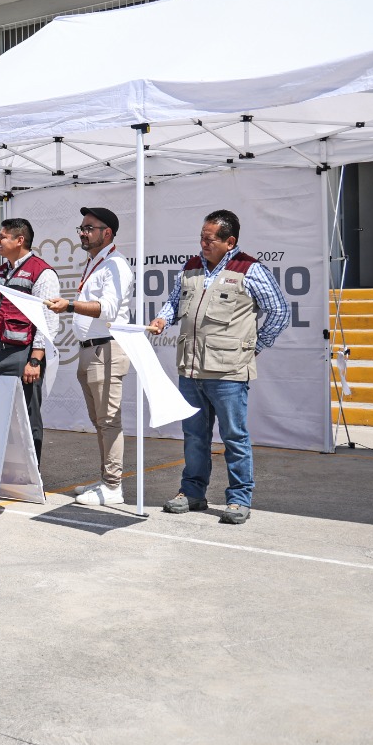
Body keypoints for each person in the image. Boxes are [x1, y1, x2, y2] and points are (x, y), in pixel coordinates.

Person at [146, 208, 287, 526]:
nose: (202, 243)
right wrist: (163, 318)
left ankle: (239, 499)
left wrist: (253, 348)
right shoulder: (192, 267)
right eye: (201, 237)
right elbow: (174, 301)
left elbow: (278, 311)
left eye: (209, 239)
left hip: (228, 373)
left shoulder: (249, 270)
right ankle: (192, 493)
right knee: (193, 435)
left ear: (230, 241)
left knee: (234, 436)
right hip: (190, 369)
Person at [46, 207, 134, 506]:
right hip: (90, 350)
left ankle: (113, 487)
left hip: (107, 348)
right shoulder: (96, 263)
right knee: (100, 422)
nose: (82, 233)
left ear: (106, 233)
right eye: (81, 228)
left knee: (109, 421)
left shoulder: (115, 266)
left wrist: (69, 306)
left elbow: (107, 310)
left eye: (89, 228)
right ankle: (106, 481)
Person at [0, 218, 58, 460]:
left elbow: (47, 321)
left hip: (23, 356)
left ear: (19, 240)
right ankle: (0, 472)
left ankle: (30, 477)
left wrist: (35, 360)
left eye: (3, 236)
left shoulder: (42, 273)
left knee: (27, 418)